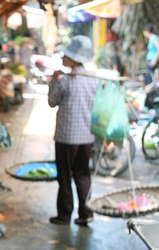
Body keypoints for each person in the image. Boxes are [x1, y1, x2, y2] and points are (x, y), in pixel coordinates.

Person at [47, 36, 99, 227]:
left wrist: (52, 81)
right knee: (83, 174)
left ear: (73, 59)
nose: (63, 58)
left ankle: (64, 215)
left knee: (65, 176)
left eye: (66, 55)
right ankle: (86, 213)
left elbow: (52, 102)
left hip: (66, 138)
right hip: (86, 137)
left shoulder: (64, 81)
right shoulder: (93, 80)